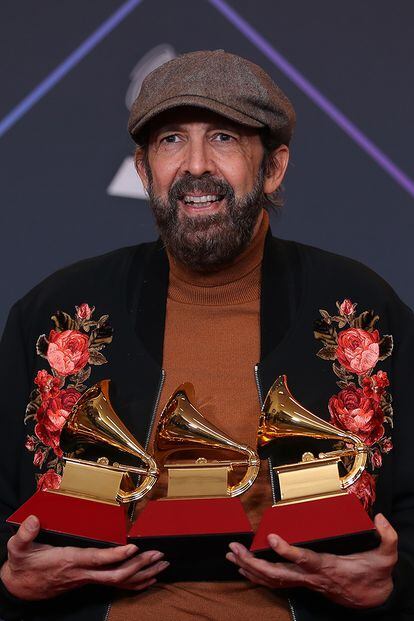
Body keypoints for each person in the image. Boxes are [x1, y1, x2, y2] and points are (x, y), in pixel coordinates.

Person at [0, 50, 412, 621]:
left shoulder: (363, 309)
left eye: (223, 137)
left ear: (273, 167)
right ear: (144, 171)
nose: (195, 166)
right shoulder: (54, 315)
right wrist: (7, 575)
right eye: (171, 140)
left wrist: (394, 584)